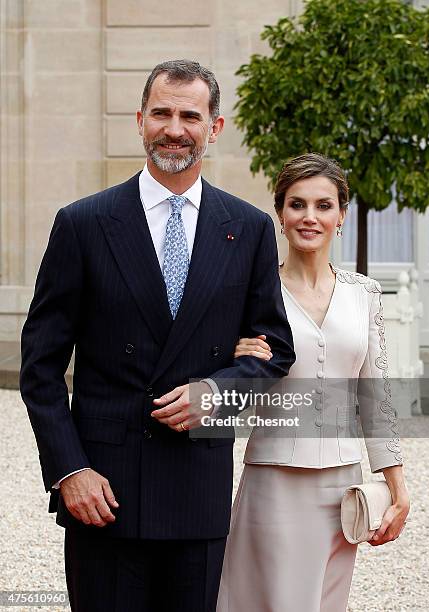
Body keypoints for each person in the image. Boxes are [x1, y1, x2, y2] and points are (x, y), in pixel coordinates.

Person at [20, 60, 295, 612]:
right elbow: (40, 367)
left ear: (214, 128)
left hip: (197, 488)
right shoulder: (83, 223)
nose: (175, 128)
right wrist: (69, 470)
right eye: (162, 113)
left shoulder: (249, 228)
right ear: (139, 121)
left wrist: (217, 394)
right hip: (103, 491)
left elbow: (275, 348)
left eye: (190, 115)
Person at [216, 153, 410, 612]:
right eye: (297, 204)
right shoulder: (253, 295)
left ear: (341, 214)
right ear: (280, 215)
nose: (310, 217)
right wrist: (236, 365)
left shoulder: (365, 293)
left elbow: (376, 396)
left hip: (345, 491)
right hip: (274, 484)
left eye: (324, 205)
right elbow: (226, 404)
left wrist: (397, 488)